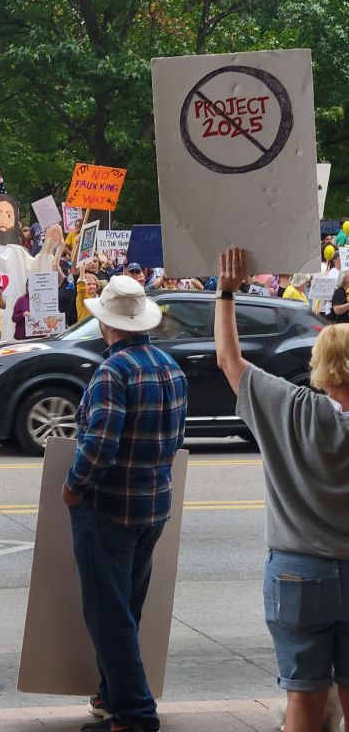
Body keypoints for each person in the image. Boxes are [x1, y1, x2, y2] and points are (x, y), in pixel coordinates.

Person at [215, 246, 349, 732]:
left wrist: (227, 291)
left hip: (297, 574)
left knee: (303, 704)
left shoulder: (291, 408)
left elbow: (229, 360)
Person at [62, 275, 187, 732]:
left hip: (109, 508)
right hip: (153, 505)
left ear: (106, 325)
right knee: (126, 607)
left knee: (108, 615)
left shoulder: (113, 372)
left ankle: (134, 715)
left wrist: (74, 485)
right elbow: (174, 439)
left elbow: (99, 444)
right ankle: (115, 701)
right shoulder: (169, 367)